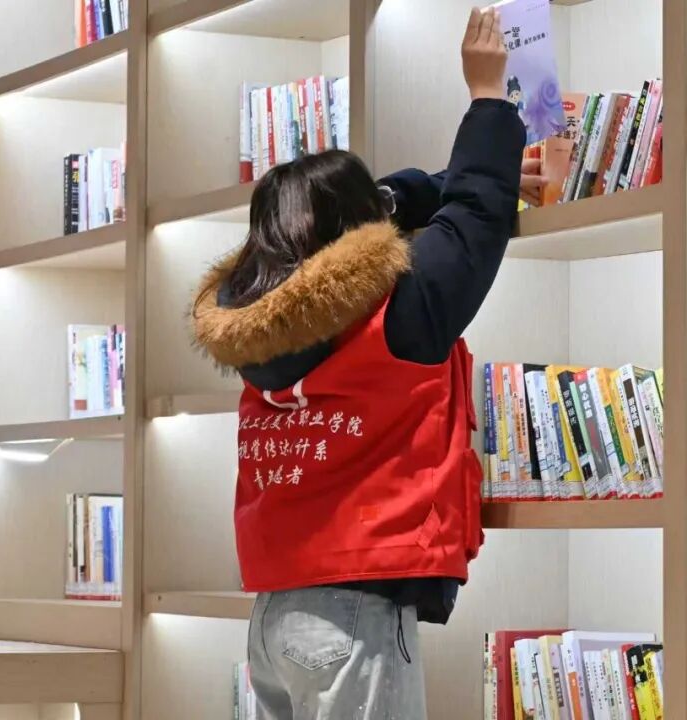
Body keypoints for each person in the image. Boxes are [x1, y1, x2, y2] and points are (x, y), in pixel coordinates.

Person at [192, 7, 545, 719]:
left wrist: (469, 174)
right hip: (354, 613)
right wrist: (488, 98)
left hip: (275, 616)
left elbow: (365, 213)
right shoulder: (395, 318)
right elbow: (472, 224)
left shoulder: (262, 331)